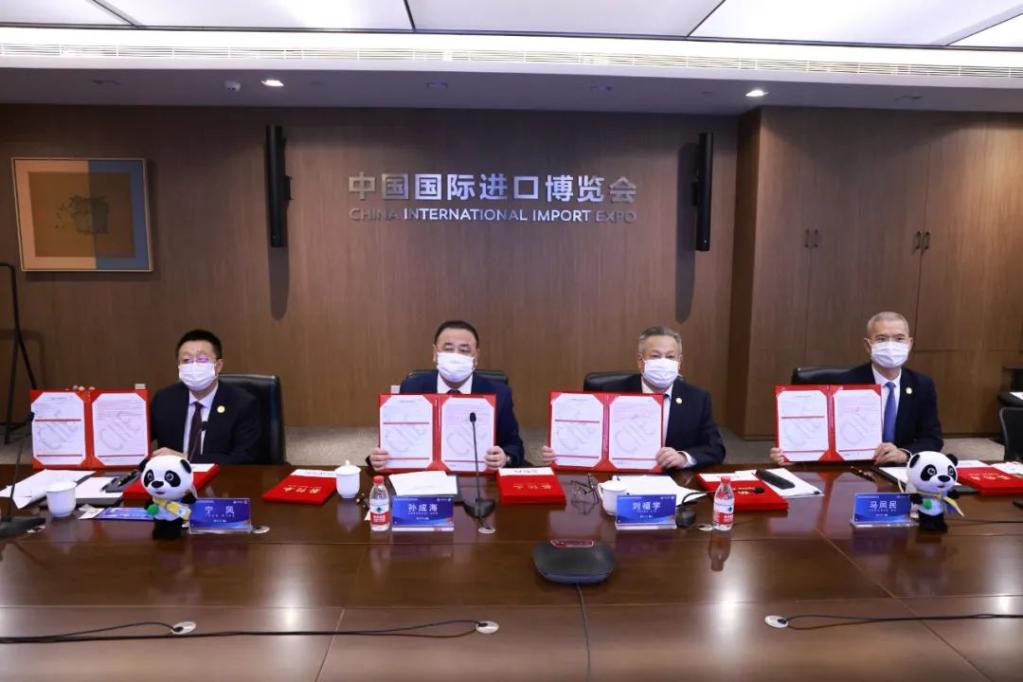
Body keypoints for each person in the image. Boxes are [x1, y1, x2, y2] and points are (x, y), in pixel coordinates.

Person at [770, 311, 942, 466]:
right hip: (853, 469)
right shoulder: (844, 384)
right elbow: (822, 437)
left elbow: (932, 438)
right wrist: (794, 454)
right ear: (868, 345)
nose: (891, 345)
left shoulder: (922, 385)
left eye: (899, 339)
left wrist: (903, 454)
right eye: (881, 339)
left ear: (909, 343)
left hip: (901, 472)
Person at [541, 325, 725, 470]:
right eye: (655, 356)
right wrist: (559, 451)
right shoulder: (610, 392)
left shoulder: (698, 399)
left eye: (670, 357)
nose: (663, 362)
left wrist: (683, 458)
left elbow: (715, 448)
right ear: (640, 361)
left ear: (679, 362)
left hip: (675, 480)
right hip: (620, 478)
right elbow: (587, 437)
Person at [369, 320, 525, 470]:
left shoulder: (499, 393)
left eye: (464, 350)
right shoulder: (412, 387)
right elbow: (398, 439)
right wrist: (378, 457)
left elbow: (514, 445)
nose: (455, 356)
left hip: (479, 479)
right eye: (448, 349)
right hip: (425, 478)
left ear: (476, 356)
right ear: (435, 353)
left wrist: (505, 457)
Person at [150, 329, 261, 465]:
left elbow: (244, 458)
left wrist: (187, 459)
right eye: (186, 360)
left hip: (223, 477)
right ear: (179, 366)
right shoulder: (164, 400)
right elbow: (138, 441)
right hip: (172, 477)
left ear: (218, 366)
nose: (194, 366)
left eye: (202, 359)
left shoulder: (242, 404)